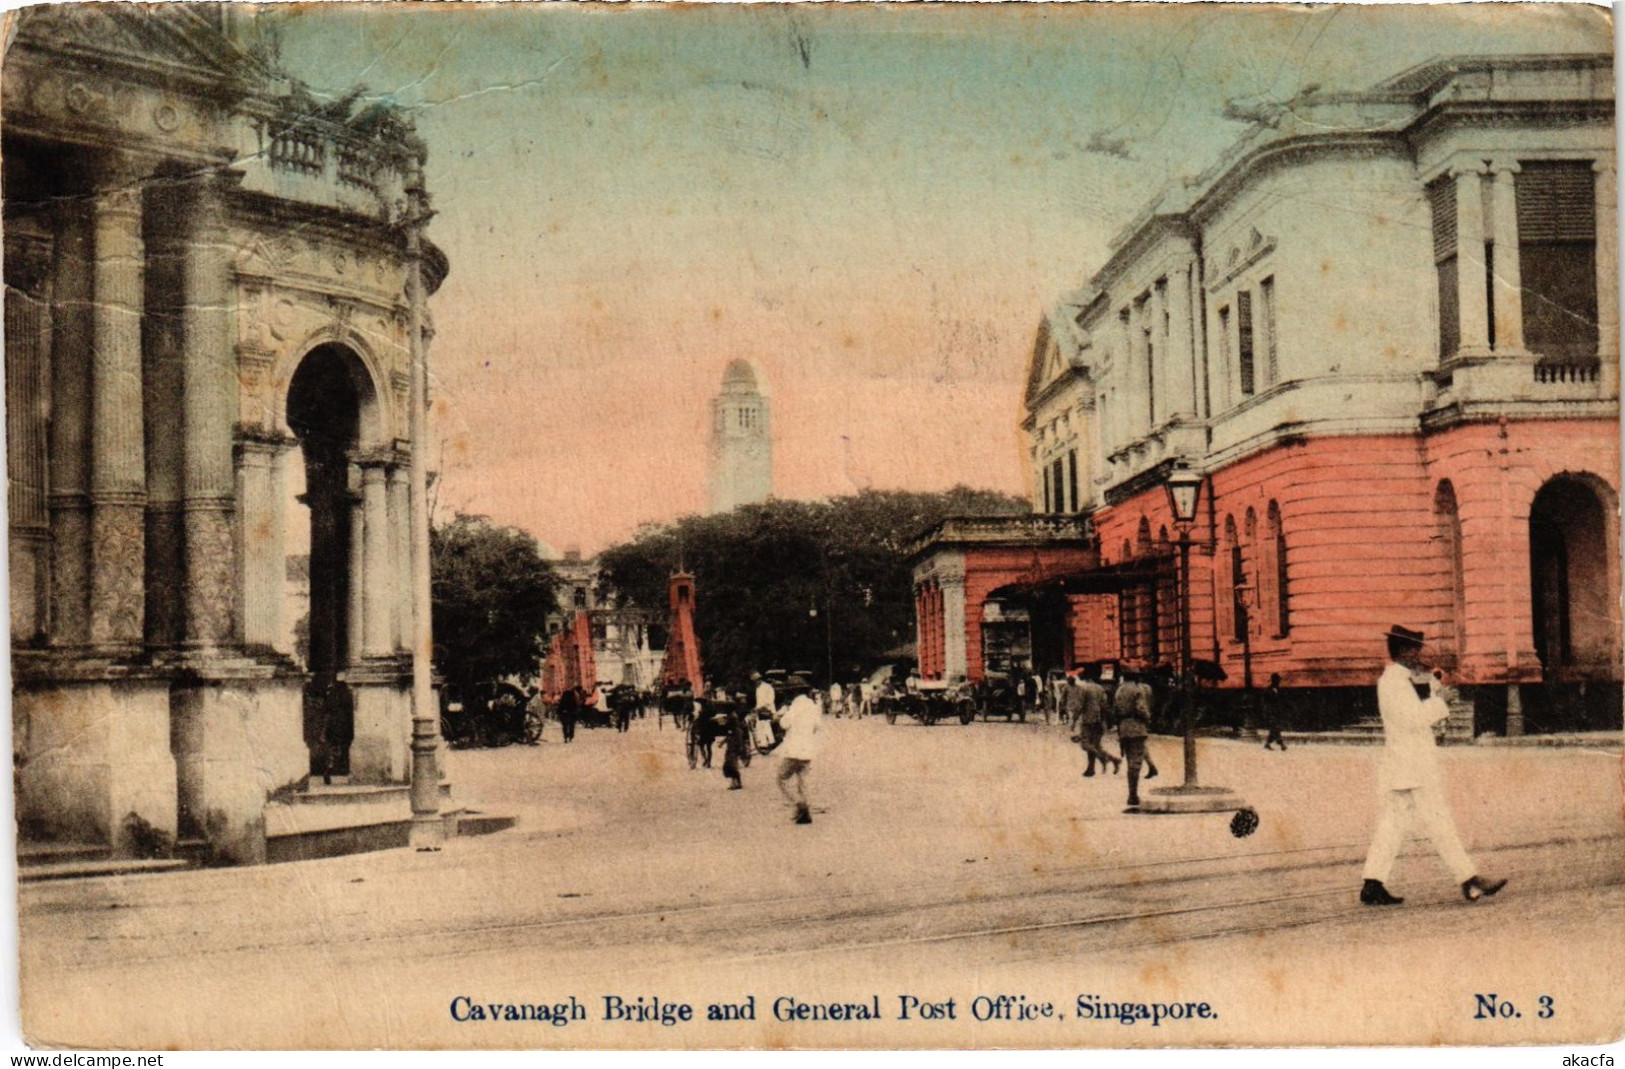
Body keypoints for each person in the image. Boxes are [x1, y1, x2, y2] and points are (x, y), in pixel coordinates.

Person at [1360, 625, 1506, 907]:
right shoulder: (1394, 682)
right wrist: (1440, 702)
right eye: (1416, 650)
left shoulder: (1399, 679)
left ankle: (1372, 883)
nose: (1419, 655)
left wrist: (1434, 690)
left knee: (1392, 824)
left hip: (1402, 766)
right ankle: (1469, 880)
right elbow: (1413, 718)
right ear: (1404, 651)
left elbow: (1414, 708)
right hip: (1413, 767)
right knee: (1439, 821)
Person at [776, 683, 824, 824]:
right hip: (808, 750)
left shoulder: (794, 707)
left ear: (794, 693)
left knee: (781, 779)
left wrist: (784, 713)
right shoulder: (813, 707)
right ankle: (804, 813)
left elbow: (783, 724)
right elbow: (817, 727)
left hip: (793, 751)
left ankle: (799, 804)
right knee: (803, 783)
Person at [1113, 665, 1158, 807]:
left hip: (1124, 728)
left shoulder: (1119, 690)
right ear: (1136, 676)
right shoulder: (1137, 689)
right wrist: (1148, 719)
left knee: (1130, 762)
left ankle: (1132, 793)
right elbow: (1141, 709)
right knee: (1135, 763)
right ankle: (1132, 795)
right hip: (1137, 728)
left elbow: (1115, 709)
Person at [1065, 666, 1119, 776]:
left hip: (1088, 720)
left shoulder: (1083, 688)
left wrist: (1074, 720)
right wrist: (1109, 720)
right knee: (1095, 744)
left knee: (1085, 744)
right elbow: (1104, 705)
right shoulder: (1100, 688)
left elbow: (1079, 706)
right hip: (1099, 720)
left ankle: (1107, 759)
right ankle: (1091, 769)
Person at [1261, 673, 1287, 751]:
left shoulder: (1278, 690)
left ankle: (1267, 743)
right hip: (1270, 713)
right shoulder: (1267, 691)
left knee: (1274, 729)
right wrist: (1266, 712)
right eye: (1277, 680)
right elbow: (1265, 703)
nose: (1278, 682)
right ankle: (1281, 744)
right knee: (1275, 728)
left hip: (1277, 712)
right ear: (1274, 681)